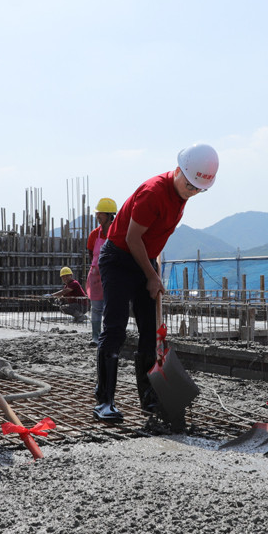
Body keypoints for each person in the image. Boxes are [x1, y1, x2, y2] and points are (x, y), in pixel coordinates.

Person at [94, 143, 218, 423]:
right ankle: (105, 400)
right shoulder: (154, 192)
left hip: (145, 259)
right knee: (114, 327)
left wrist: (154, 272)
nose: (193, 191)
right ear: (177, 171)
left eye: (199, 189)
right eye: (190, 185)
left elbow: (155, 241)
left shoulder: (182, 196)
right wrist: (150, 275)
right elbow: (132, 238)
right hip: (118, 257)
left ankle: (150, 398)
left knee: (150, 331)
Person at [86, 198, 117, 345]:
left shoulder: (117, 233)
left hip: (113, 275)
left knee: (111, 308)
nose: (98, 216)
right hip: (96, 276)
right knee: (96, 308)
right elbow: (91, 254)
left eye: (101, 214)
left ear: (110, 215)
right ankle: (95, 336)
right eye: (97, 213)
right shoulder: (94, 235)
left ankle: (108, 336)